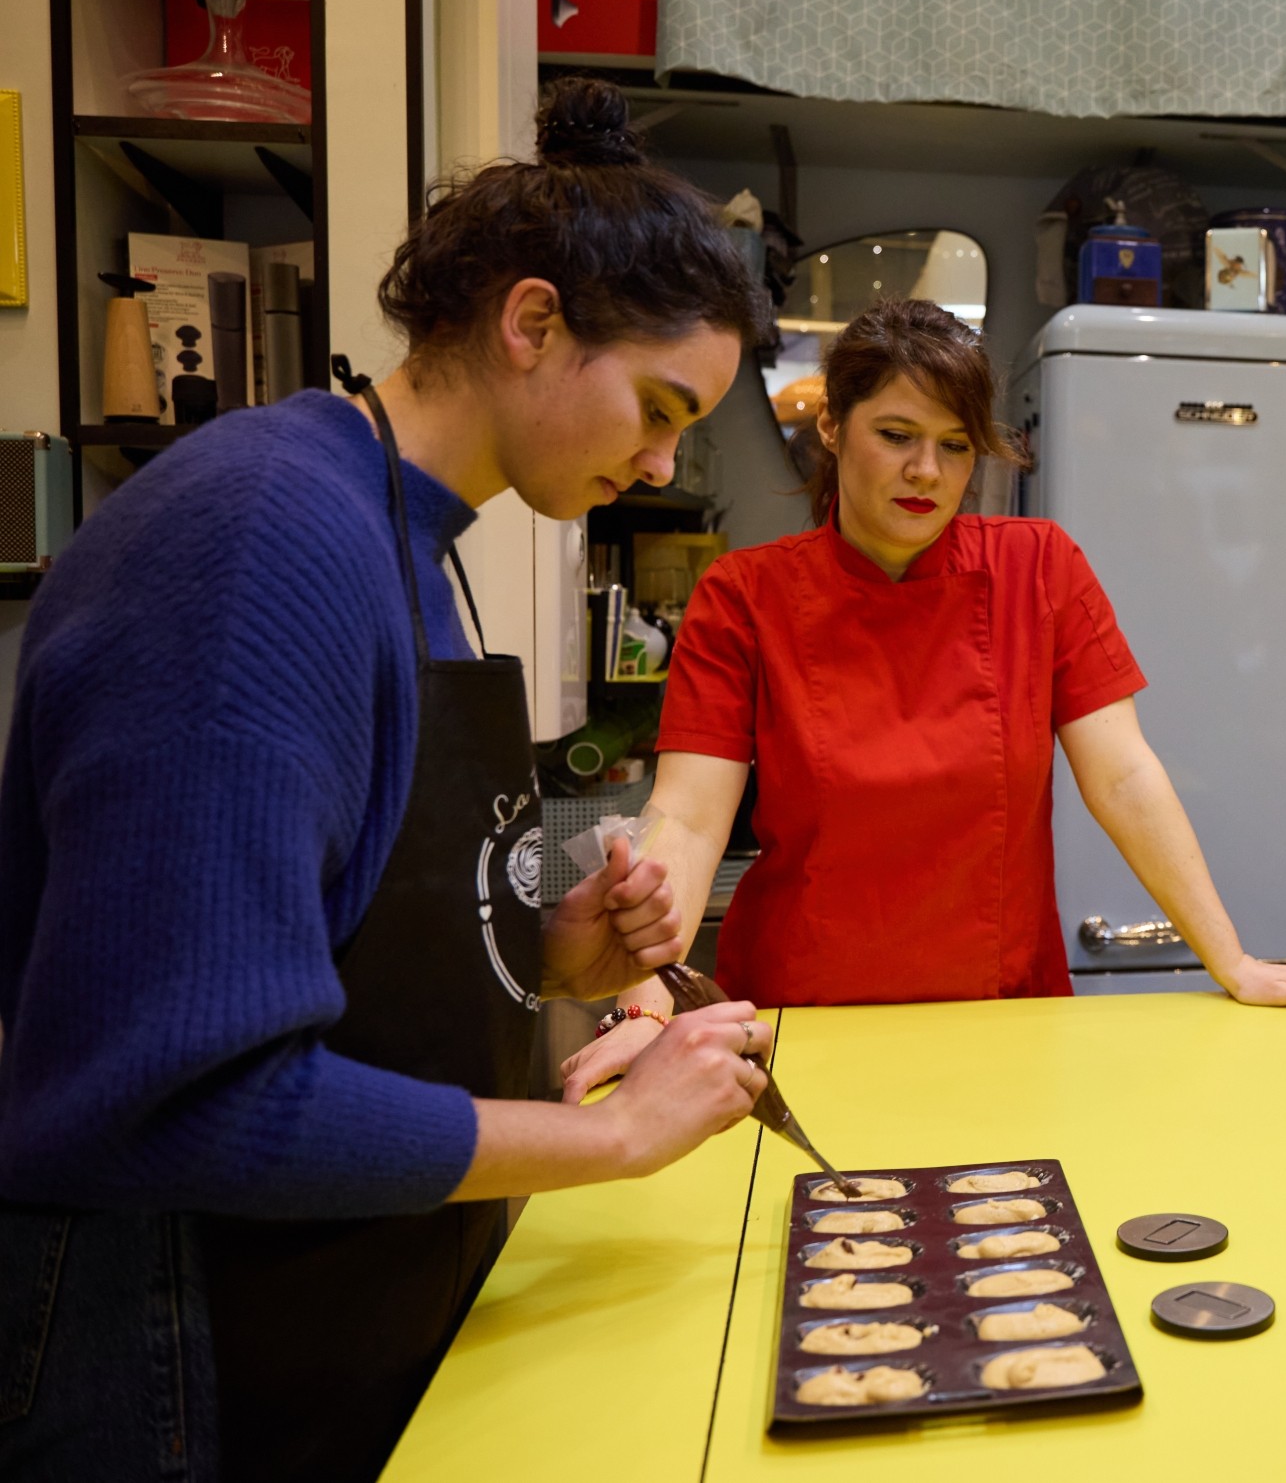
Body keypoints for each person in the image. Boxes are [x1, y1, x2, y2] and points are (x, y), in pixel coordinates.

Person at [0, 80, 779, 1483]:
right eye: (659, 408)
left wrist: (537, 958)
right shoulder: (260, 541)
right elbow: (188, 1097)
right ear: (531, 321)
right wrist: (618, 1137)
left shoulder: (404, 535)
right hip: (185, 1337)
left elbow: (325, 936)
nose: (663, 463)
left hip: (344, 1296)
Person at [558, 298, 1286, 1094]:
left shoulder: (1041, 569)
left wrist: (1229, 959)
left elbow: (1124, 776)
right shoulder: (745, 595)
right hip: (794, 1023)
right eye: (897, 435)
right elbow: (691, 818)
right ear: (834, 429)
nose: (927, 471)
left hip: (1002, 1022)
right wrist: (649, 998)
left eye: (956, 446)